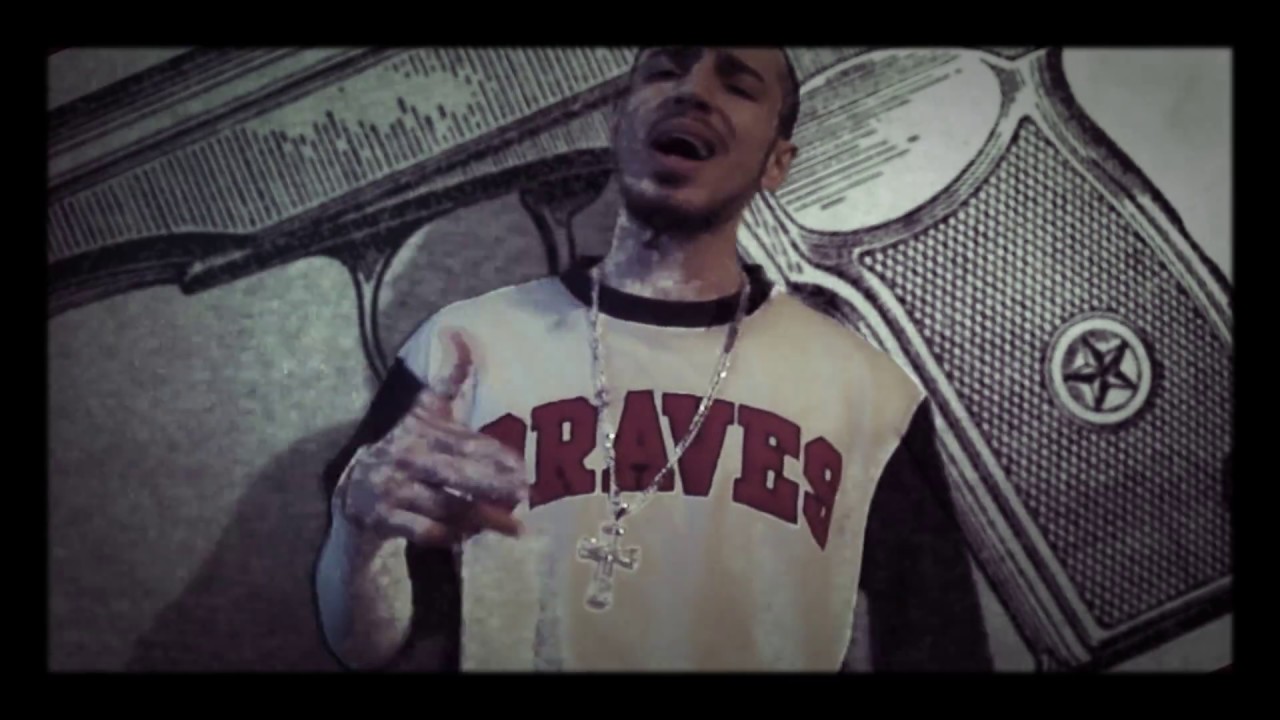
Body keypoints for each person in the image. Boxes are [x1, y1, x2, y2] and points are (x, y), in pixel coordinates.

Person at [313, 46, 991, 672]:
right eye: (665, 69)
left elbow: (941, 648)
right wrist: (357, 531)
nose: (692, 89)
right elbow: (367, 646)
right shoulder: (460, 347)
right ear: (619, 126)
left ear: (777, 163)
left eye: (737, 84)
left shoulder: (869, 394)